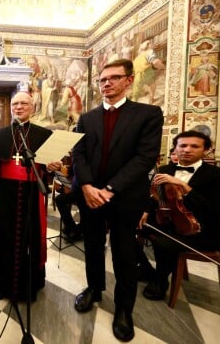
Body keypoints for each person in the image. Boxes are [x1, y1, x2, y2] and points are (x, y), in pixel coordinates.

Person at [71, 59, 163, 342]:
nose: (106, 83)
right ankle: (94, 289)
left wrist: (109, 189)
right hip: (90, 196)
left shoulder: (148, 114)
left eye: (113, 78)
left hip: (124, 198)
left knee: (125, 255)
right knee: (94, 247)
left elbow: (145, 157)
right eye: (102, 79)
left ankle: (124, 309)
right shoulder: (87, 117)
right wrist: (86, 185)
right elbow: (79, 153)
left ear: (129, 80)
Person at [139, 131, 220, 300]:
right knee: (124, 229)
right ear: (175, 149)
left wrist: (185, 187)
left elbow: (215, 210)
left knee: (163, 241)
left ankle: (160, 281)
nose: (187, 150)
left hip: (201, 229)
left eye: (194, 146)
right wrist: (146, 211)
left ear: (206, 149)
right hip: (168, 221)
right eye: (182, 146)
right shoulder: (165, 169)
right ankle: (148, 271)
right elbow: (155, 196)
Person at [0, 91, 53, 302]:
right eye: (15, 104)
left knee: (30, 238)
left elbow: (49, 169)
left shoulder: (44, 134)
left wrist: (52, 167)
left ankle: (30, 284)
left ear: (32, 107)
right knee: (4, 237)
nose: (19, 107)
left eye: (23, 103)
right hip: (5, 195)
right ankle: (2, 282)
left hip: (32, 194)